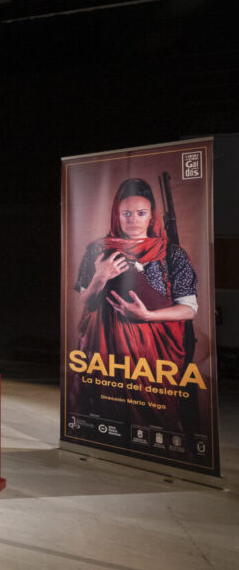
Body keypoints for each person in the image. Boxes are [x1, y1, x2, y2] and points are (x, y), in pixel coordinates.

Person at [71, 177, 198, 433]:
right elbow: (85, 303)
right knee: (105, 411)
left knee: (159, 421)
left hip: (155, 355)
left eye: (141, 213)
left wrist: (147, 315)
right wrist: (100, 276)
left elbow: (189, 309)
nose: (133, 220)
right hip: (104, 349)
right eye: (126, 213)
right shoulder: (97, 250)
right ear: (117, 215)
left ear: (151, 216)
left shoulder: (172, 254)